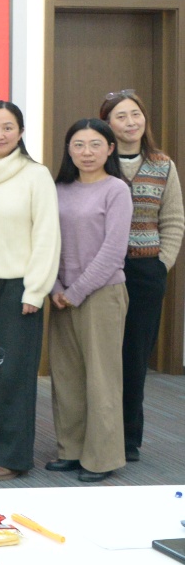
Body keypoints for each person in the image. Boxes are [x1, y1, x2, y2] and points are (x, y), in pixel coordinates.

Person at [0, 101, 60, 481]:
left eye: (7, 127)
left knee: (12, 375)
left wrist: (36, 290)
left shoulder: (36, 175)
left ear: (20, 132)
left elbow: (47, 235)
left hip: (18, 286)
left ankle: (12, 456)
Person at [99, 89, 183, 463]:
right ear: (107, 123)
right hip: (103, 272)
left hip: (146, 271)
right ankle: (98, 434)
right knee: (103, 356)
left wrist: (161, 264)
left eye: (136, 114)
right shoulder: (97, 162)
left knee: (135, 357)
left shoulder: (162, 165)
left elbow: (173, 219)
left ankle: (128, 437)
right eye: (121, 116)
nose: (130, 122)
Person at [46, 119, 132, 482]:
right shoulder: (58, 188)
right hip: (61, 294)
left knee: (101, 378)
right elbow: (47, 240)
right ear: (69, 150)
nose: (86, 152)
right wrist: (55, 287)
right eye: (78, 145)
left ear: (110, 149)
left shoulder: (117, 190)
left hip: (101, 294)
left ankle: (102, 458)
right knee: (66, 377)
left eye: (95, 145)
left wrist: (75, 291)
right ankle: (71, 449)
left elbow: (113, 251)